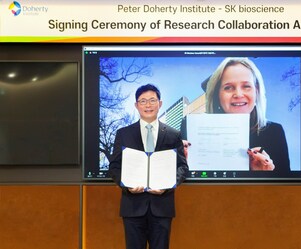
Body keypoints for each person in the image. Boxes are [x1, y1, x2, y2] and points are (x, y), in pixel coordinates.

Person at [109, 84, 189, 249]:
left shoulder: (173, 135)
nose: (148, 105)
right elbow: (114, 167)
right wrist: (127, 186)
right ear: (136, 105)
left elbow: (182, 167)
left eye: (152, 100)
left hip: (162, 207)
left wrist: (167, 185)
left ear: (160, 104)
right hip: (132, 207)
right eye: (143, 101)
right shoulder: (123, 134)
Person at [183, 57, 290, 175]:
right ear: (217, 95)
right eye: (228, 87)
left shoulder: (274, 132)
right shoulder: (191, 129)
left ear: (257, 91)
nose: (238, 94)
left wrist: (266, 174)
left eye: (246, 86)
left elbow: (289, 191)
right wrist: (182, 165)